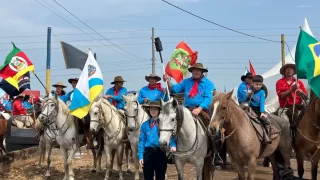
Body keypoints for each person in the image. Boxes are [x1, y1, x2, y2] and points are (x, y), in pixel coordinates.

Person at [138, 101, 176, 180]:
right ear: (149, 110)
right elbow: (141, 141)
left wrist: (173, 145)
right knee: (148, 177)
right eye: (151, 109)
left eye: (155, 109)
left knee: (160, 177)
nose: (153, 111)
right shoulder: (144, 125)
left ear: (159, 110)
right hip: (148, 153)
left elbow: (170, 135)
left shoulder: (164, 123)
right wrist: (141, 156)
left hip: (160, 153)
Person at [249, 75, 271, 144]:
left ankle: (267, 135)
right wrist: (247, 94)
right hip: (250, 108)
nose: (258, 86)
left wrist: (262, 112)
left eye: (260, 84)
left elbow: (262, 102)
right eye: (256, 84)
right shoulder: (250, 91)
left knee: (264, 121)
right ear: (253, 84)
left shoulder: (262, 92)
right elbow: (244, 100)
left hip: (259, 109)